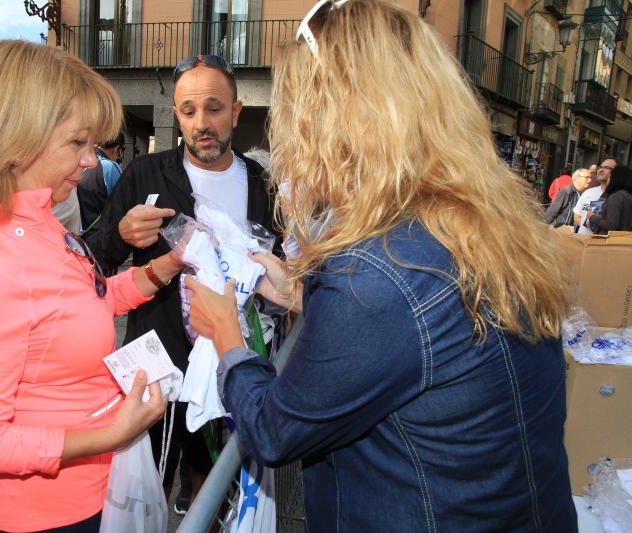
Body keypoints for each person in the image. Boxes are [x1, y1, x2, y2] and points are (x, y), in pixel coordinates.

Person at [184, 1, 576, 530]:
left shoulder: (376, 271)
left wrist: (228, 336)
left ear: (338, 121)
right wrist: (302, 296)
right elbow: (428, 340)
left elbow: (276, 431)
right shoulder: (479, 221)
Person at [0, 40, 182, 533]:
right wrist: (110, 434)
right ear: (15, 139)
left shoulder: (35, 216)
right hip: (44, 515)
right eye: (77, 143)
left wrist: (160, 269)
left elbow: (82, 301)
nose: (91, 160)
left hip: (89, 493)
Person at [89, 54, 276, 504]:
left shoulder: (261, 184)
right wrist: (120, 234)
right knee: (143, 492)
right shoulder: (144, 174)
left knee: (214, 490)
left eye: (214, 108)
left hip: (232, 366)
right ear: (176, 115)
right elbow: (90, 263)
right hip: (159, 366)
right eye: (188, 111)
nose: (201, 123)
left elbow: (281, 265)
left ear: (235, 111)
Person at [77, 132, 126, 235]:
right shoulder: (110, 167)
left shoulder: (81, 161)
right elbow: (123, 201)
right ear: (116, 149)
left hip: (78, 232)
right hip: (102, 234)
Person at [573, 158, 616, 234]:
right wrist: (588, 229)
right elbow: (577, 216)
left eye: (607, 168)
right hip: (581, 241)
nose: (601, 170)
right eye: (600, 167)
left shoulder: (619, 197)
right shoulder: (588, 193)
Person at [586, 165, 632, 233]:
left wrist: (592, 217)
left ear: (615, 178)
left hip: (609, 241)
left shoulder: (616, 197)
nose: (608, 180)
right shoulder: (628, 196)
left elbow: (612, 225)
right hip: (624, 239)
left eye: (610, 177)